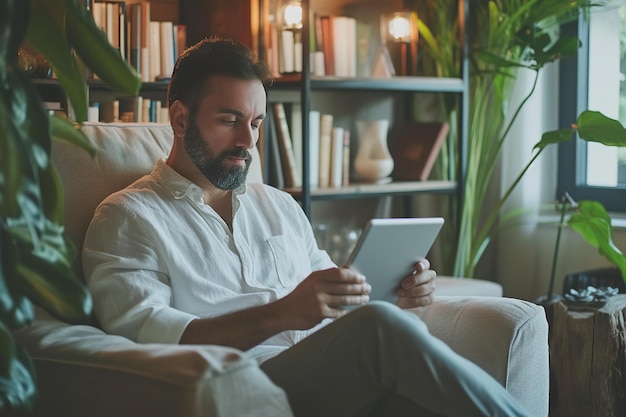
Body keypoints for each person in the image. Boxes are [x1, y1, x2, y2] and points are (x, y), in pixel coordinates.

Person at [82, 37, 532, 417]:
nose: (248, 141)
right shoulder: (128, 217)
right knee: (380, 330)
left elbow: (340, 308)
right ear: (180, 119)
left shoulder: (277, 205)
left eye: (256, 123)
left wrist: (397, 294)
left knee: (405, 368)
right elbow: (148, 337)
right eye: (229, 120)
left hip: (329, 374)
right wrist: (282, 313)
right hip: (241, 387)